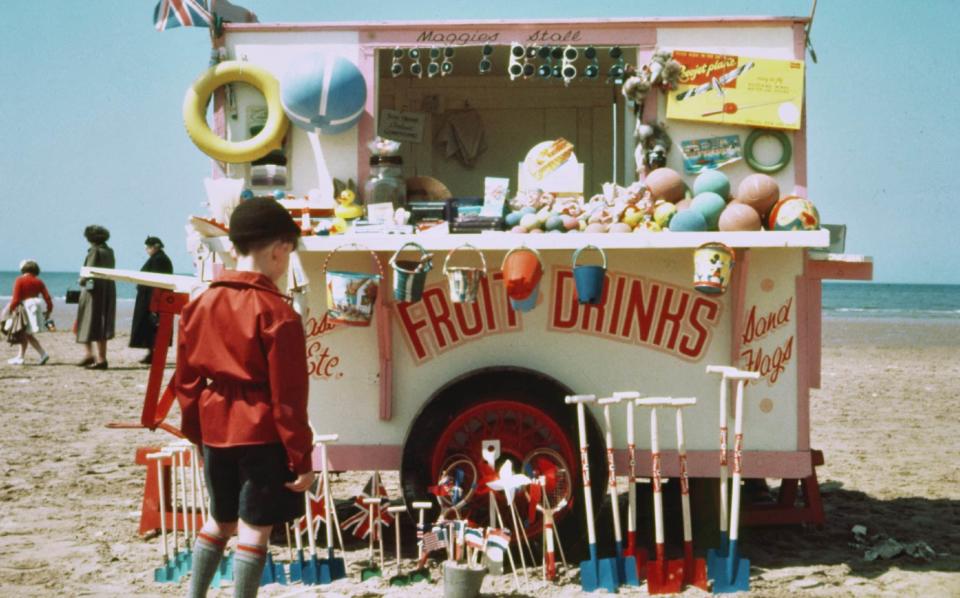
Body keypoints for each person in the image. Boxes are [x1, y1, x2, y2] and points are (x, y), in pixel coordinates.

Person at [175, 198, 314, 598]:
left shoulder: (199, 303)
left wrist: (196, 434)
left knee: (220, 520)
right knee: (255, 528)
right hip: (260, 433)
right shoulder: (279, 314)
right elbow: (288, 400)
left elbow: (185, 383)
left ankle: (194, 594)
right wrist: (301, 458)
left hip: (214, 429)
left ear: (235, 247)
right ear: (279, 249)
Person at [76, 225, 116, 369]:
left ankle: (94, 357)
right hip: (107, 288)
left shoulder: (94, 251)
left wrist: (80, 281)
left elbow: (89, 272)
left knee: (88, 321)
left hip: (94, 291)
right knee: (102, 323)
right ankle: (99, 357)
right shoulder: (109, 251)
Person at [130, 236, 174, 364]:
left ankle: (154, 354)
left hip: (152, 298)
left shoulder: (159, 260)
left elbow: (156, 281)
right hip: (151, 297)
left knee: (152, 326)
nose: (147, 250)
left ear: (155, 247)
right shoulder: (159, 258)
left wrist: (153, 301)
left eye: (148, 248)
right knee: (151, 327)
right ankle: (152, 353)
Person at [3, 260, 52, 365]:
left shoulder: (19, 280)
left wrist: (10, 310)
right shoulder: (39, 281)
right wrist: (49, 310)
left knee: (25, 333)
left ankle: (41, 354)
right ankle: (21, 356)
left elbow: (16, 299)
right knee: (26, 334)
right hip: (36, 307)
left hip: (25, 308)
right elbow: (47, 297)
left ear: (23, 270)